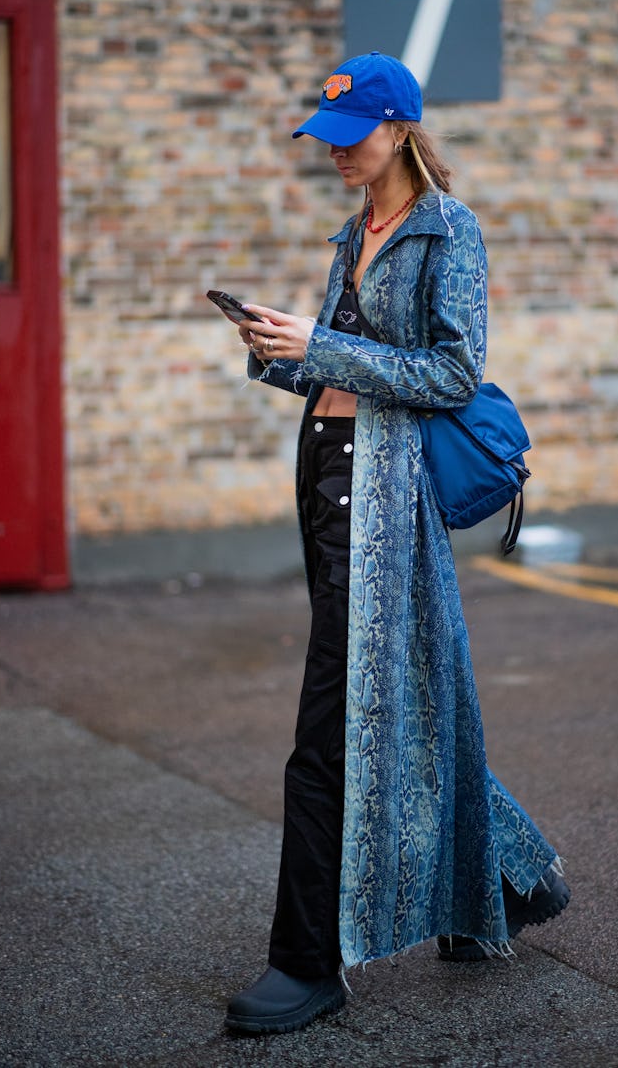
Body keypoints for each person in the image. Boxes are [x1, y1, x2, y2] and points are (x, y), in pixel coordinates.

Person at [223, 52, 569, 1037]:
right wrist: (278, 352)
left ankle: (307, 963)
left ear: (399, 130)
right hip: (331, 480)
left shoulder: (451, 233)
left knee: (329, 733)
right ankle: (507, 880)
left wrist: (322, 349)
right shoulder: (352, 235)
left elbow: (454, 372)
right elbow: (340, 372)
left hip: (388, 499)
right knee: (419, 697)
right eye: (324, 136)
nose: (332, 153)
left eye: (348, 135)